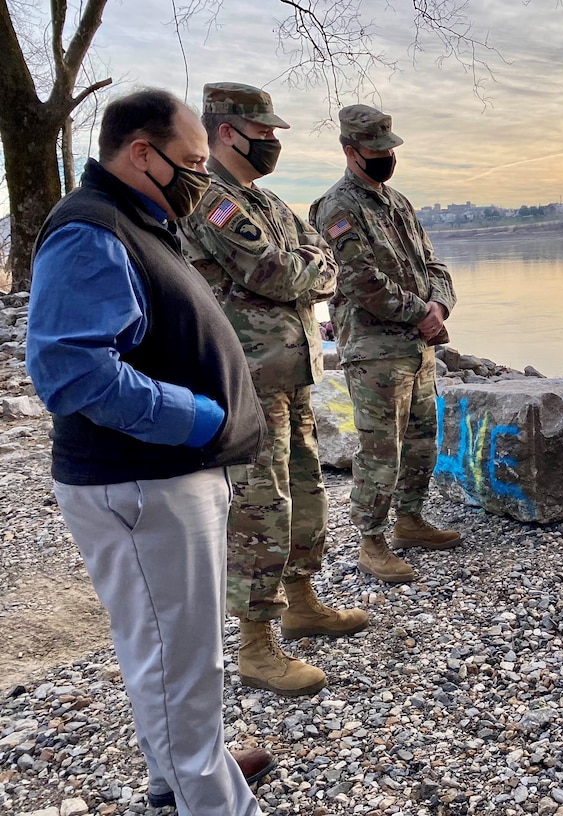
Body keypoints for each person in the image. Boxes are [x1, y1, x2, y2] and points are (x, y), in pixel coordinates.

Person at [25, 88, 275, 815]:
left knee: (169, 644)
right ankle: (213, 800)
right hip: (143, 481)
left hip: (160, 479)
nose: (204, 176)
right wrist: (197, 418)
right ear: (143, 152)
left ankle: (181, 770)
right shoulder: (90, 229)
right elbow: (73, 370)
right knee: (180, 658)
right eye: (193, 162)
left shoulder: (136, 221)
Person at [178, 82, 368, 698]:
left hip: (291, 376)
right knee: (261, 509)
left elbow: (318, 254)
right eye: (265, 134)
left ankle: (303, 601)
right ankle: (256, 646)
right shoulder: (211, 202)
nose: (273, 144)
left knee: (306, 494)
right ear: (228, 132)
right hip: (248, 381)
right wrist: (311, 267)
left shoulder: (267, 204)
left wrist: (311, 266)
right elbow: (280, 271)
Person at [309, 104, 460, 584]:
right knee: (380, 449)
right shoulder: (336, 208)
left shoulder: (397, 203)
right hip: (376, 351)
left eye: (389, 149)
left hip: (419, 346)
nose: (386, 158)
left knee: (420, 442)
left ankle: (410, 519)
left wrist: (440, 307)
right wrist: (422, 315)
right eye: (376, 150)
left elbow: (434, 265)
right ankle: (371, 542)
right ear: (351, 151)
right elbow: (358, 281)